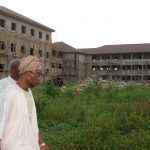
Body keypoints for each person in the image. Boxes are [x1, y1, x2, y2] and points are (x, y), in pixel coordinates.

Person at [0, 55, 48, 150]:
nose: (39, 78)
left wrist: (41, 144)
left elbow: (31, 123)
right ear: (26, 73)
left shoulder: (29, 93)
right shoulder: (10, 93)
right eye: (37, 74)